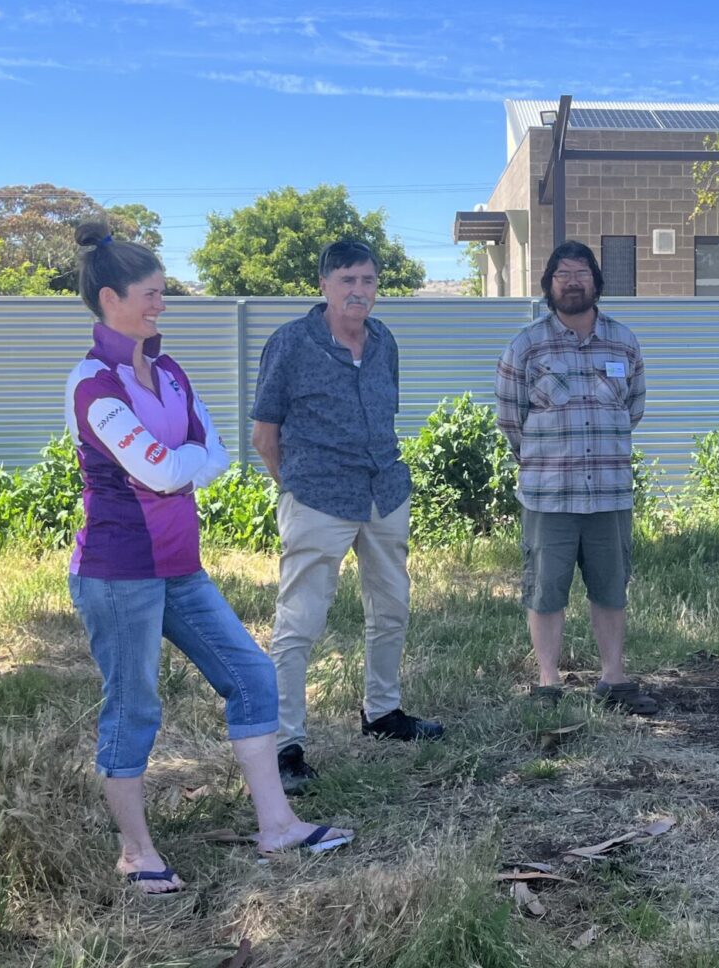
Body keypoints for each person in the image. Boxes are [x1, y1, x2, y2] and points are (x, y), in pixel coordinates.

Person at [64, 221, 351, 895]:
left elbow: (213, 455)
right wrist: (179, 465)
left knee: (252, 675)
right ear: (112, 298)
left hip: (179, 567)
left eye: (164, 292)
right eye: (151, 293)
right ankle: (136, 853)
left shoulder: (167, 371)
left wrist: (178, 465)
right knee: (134, 707)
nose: (162, 304)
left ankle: (277, 826)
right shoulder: (91, 382)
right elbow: (161, 470)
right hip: (117, 572)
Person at [251, 240, 442, 794]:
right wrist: (297, 488)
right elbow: (265, 434)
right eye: (347, 280)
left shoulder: (384, 342)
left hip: (384, 492)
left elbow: (385, 414)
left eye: (368, 281)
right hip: (317, 497)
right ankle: (286, 744)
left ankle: (382, 713)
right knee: (299, 621)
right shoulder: (290, 342)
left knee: (392, 607)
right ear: (324, 285)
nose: (359, 291)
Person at [494, 241, 657, 714]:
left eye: (581, 272)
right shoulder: (526, 346)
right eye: (562, 273)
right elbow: (511, 419)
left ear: (596, 282)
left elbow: (635, 408)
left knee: (611, 586)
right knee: (545, 590)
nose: (572, 280)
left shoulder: (624, 342)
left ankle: (614, 679)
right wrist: (544, 460)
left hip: (608, 494)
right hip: (549, 496)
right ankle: (549, 683)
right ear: (548, 285)